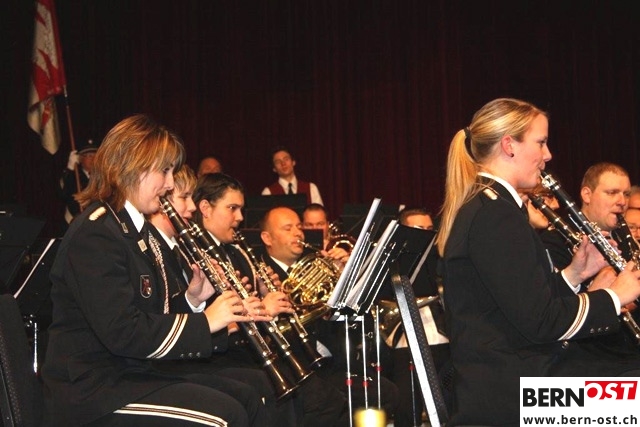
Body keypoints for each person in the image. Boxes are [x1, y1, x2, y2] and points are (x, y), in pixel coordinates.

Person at [42, 114, 267, 427]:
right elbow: (124, 333)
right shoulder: (96, 233)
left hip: (133, 375)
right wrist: (205, 322)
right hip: (94, 391)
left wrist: (192, 300)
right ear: (133, 167)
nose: (171, 183)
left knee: (247, 397)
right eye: (165, 170)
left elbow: (152, 313)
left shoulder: (137, 231)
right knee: (225, 416)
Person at [435, 97, 640, 425]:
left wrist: (575, 273)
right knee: (634, 395)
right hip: (515, 392)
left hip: (515, 377)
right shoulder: (496, 215)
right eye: (541, 143)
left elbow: (520, 304)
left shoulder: (492, 207)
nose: (548, 155)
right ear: (509, 146)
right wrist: (615, 296)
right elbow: (543, 323)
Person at [193, 173, 349, 427]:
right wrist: (263, 308)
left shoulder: (236, 251)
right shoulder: (197, 253)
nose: (240, 217)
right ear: (206, 209)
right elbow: (212, 317)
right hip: (226, 357)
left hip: (252, 353)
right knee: (318, 401)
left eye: (241, 209)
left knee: (326, 399)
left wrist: (264, 292)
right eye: (232, 208)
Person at [258, 206, 399, 422]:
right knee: (335, 401)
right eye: (288, 228)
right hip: (294, 367)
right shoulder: (260, 273)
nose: (297, 233)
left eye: (299, 227)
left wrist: (344, 278)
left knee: (387, 393)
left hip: (331, 361)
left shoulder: (316, 264)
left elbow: (350, 320)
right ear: (267, 238)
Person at [376, 207, 450, 427]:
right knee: (407, 410)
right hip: (404, 344)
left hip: (443, 341)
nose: (427, 236)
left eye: (430, 229)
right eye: (419, 230)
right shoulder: (391, 264)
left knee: (449, 407)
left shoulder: (441, 260)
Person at [58, 138, 98, 227]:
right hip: (76, 222)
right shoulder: (74, 177)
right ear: (80, 159)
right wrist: (69, 169)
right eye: (89, 156)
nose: (93, 159)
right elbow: (62, 192)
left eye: (95, 156)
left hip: (97, 223)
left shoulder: (103, 177)